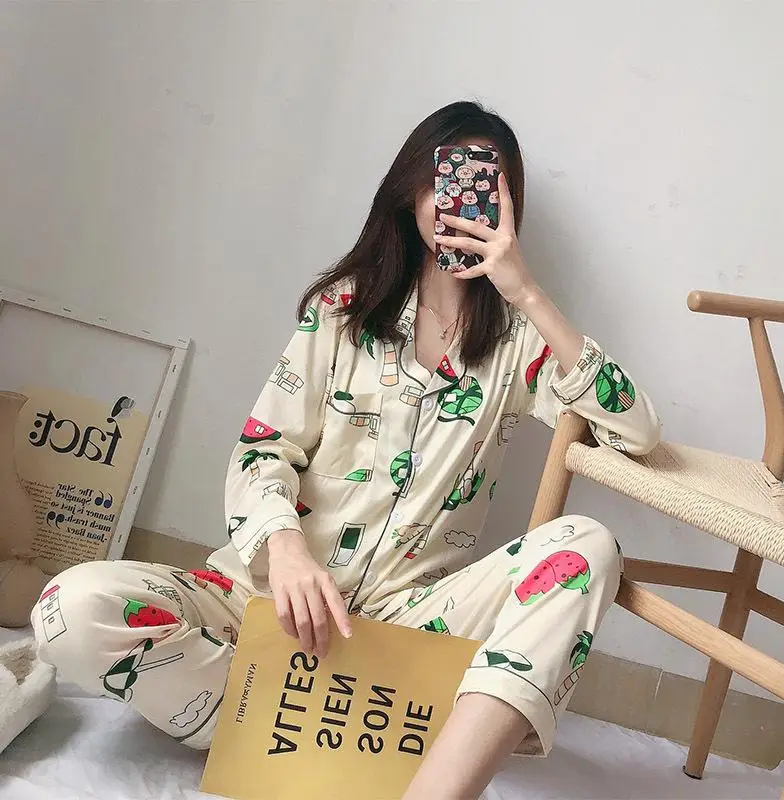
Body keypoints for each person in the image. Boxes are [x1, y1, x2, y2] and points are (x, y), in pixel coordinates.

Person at [32, 101, 660, 799]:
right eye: (443, 176)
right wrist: (287, 552)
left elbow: (636, 430)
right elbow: (262, 452)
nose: (459, 197)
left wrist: (526, 290)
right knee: (70, 607)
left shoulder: (517, 344)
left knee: (587, 546)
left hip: (405, 627)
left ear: (508, 205)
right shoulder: (342, 309)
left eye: (486, 181)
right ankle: (296, 728)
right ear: (411, 190)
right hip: (265, 601)